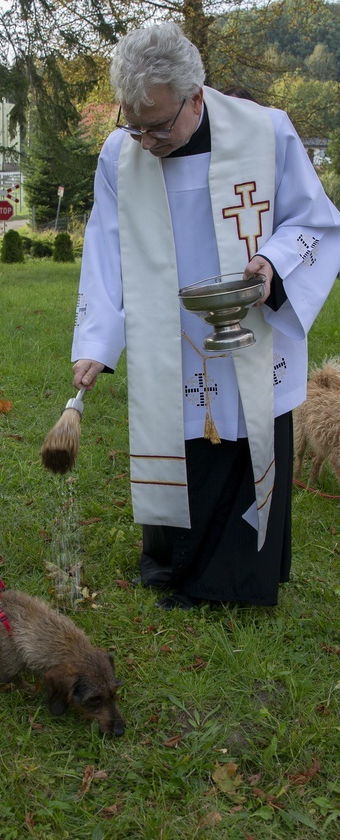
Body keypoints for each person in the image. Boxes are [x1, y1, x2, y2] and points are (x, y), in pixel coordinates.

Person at [71, 23, 340, 609]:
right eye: (134, 124)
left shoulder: (265, 133)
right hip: (168, 332)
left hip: (248, 322)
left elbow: (314, 221)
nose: (146, 140)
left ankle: (229, 583)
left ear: (196, 96)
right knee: (178, 438)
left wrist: (272, 262)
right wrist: (96, 340)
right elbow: (105, 249)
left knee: (242, 443)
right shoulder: (121, 154)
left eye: (159, 125)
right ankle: (172, 562)